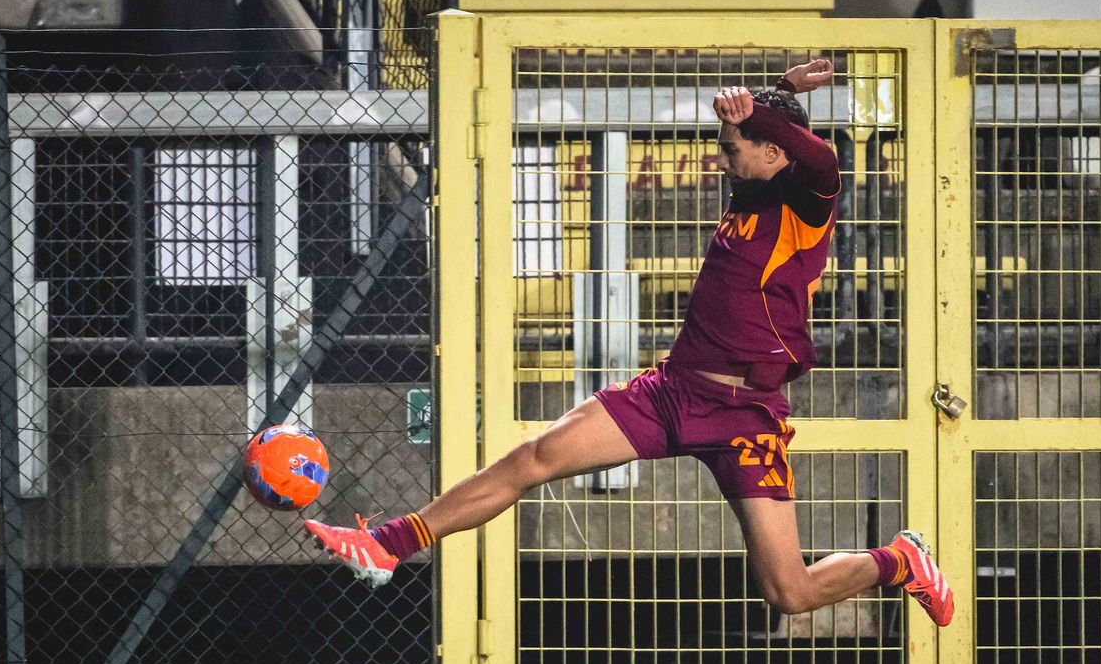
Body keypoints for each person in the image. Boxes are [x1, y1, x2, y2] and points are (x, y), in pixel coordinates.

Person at [305, 59, 953, 627]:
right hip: (672, 390)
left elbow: (818, 158)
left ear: (772, 151)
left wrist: (764, 110)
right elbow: (768, 136)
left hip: (745, 415)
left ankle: (898, 561)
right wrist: (777, 91)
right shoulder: (751, 186)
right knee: (533, 458)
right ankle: (388, 545)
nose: (721, 159)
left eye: (731, 147)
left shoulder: (808, 204)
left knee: (789, 592)